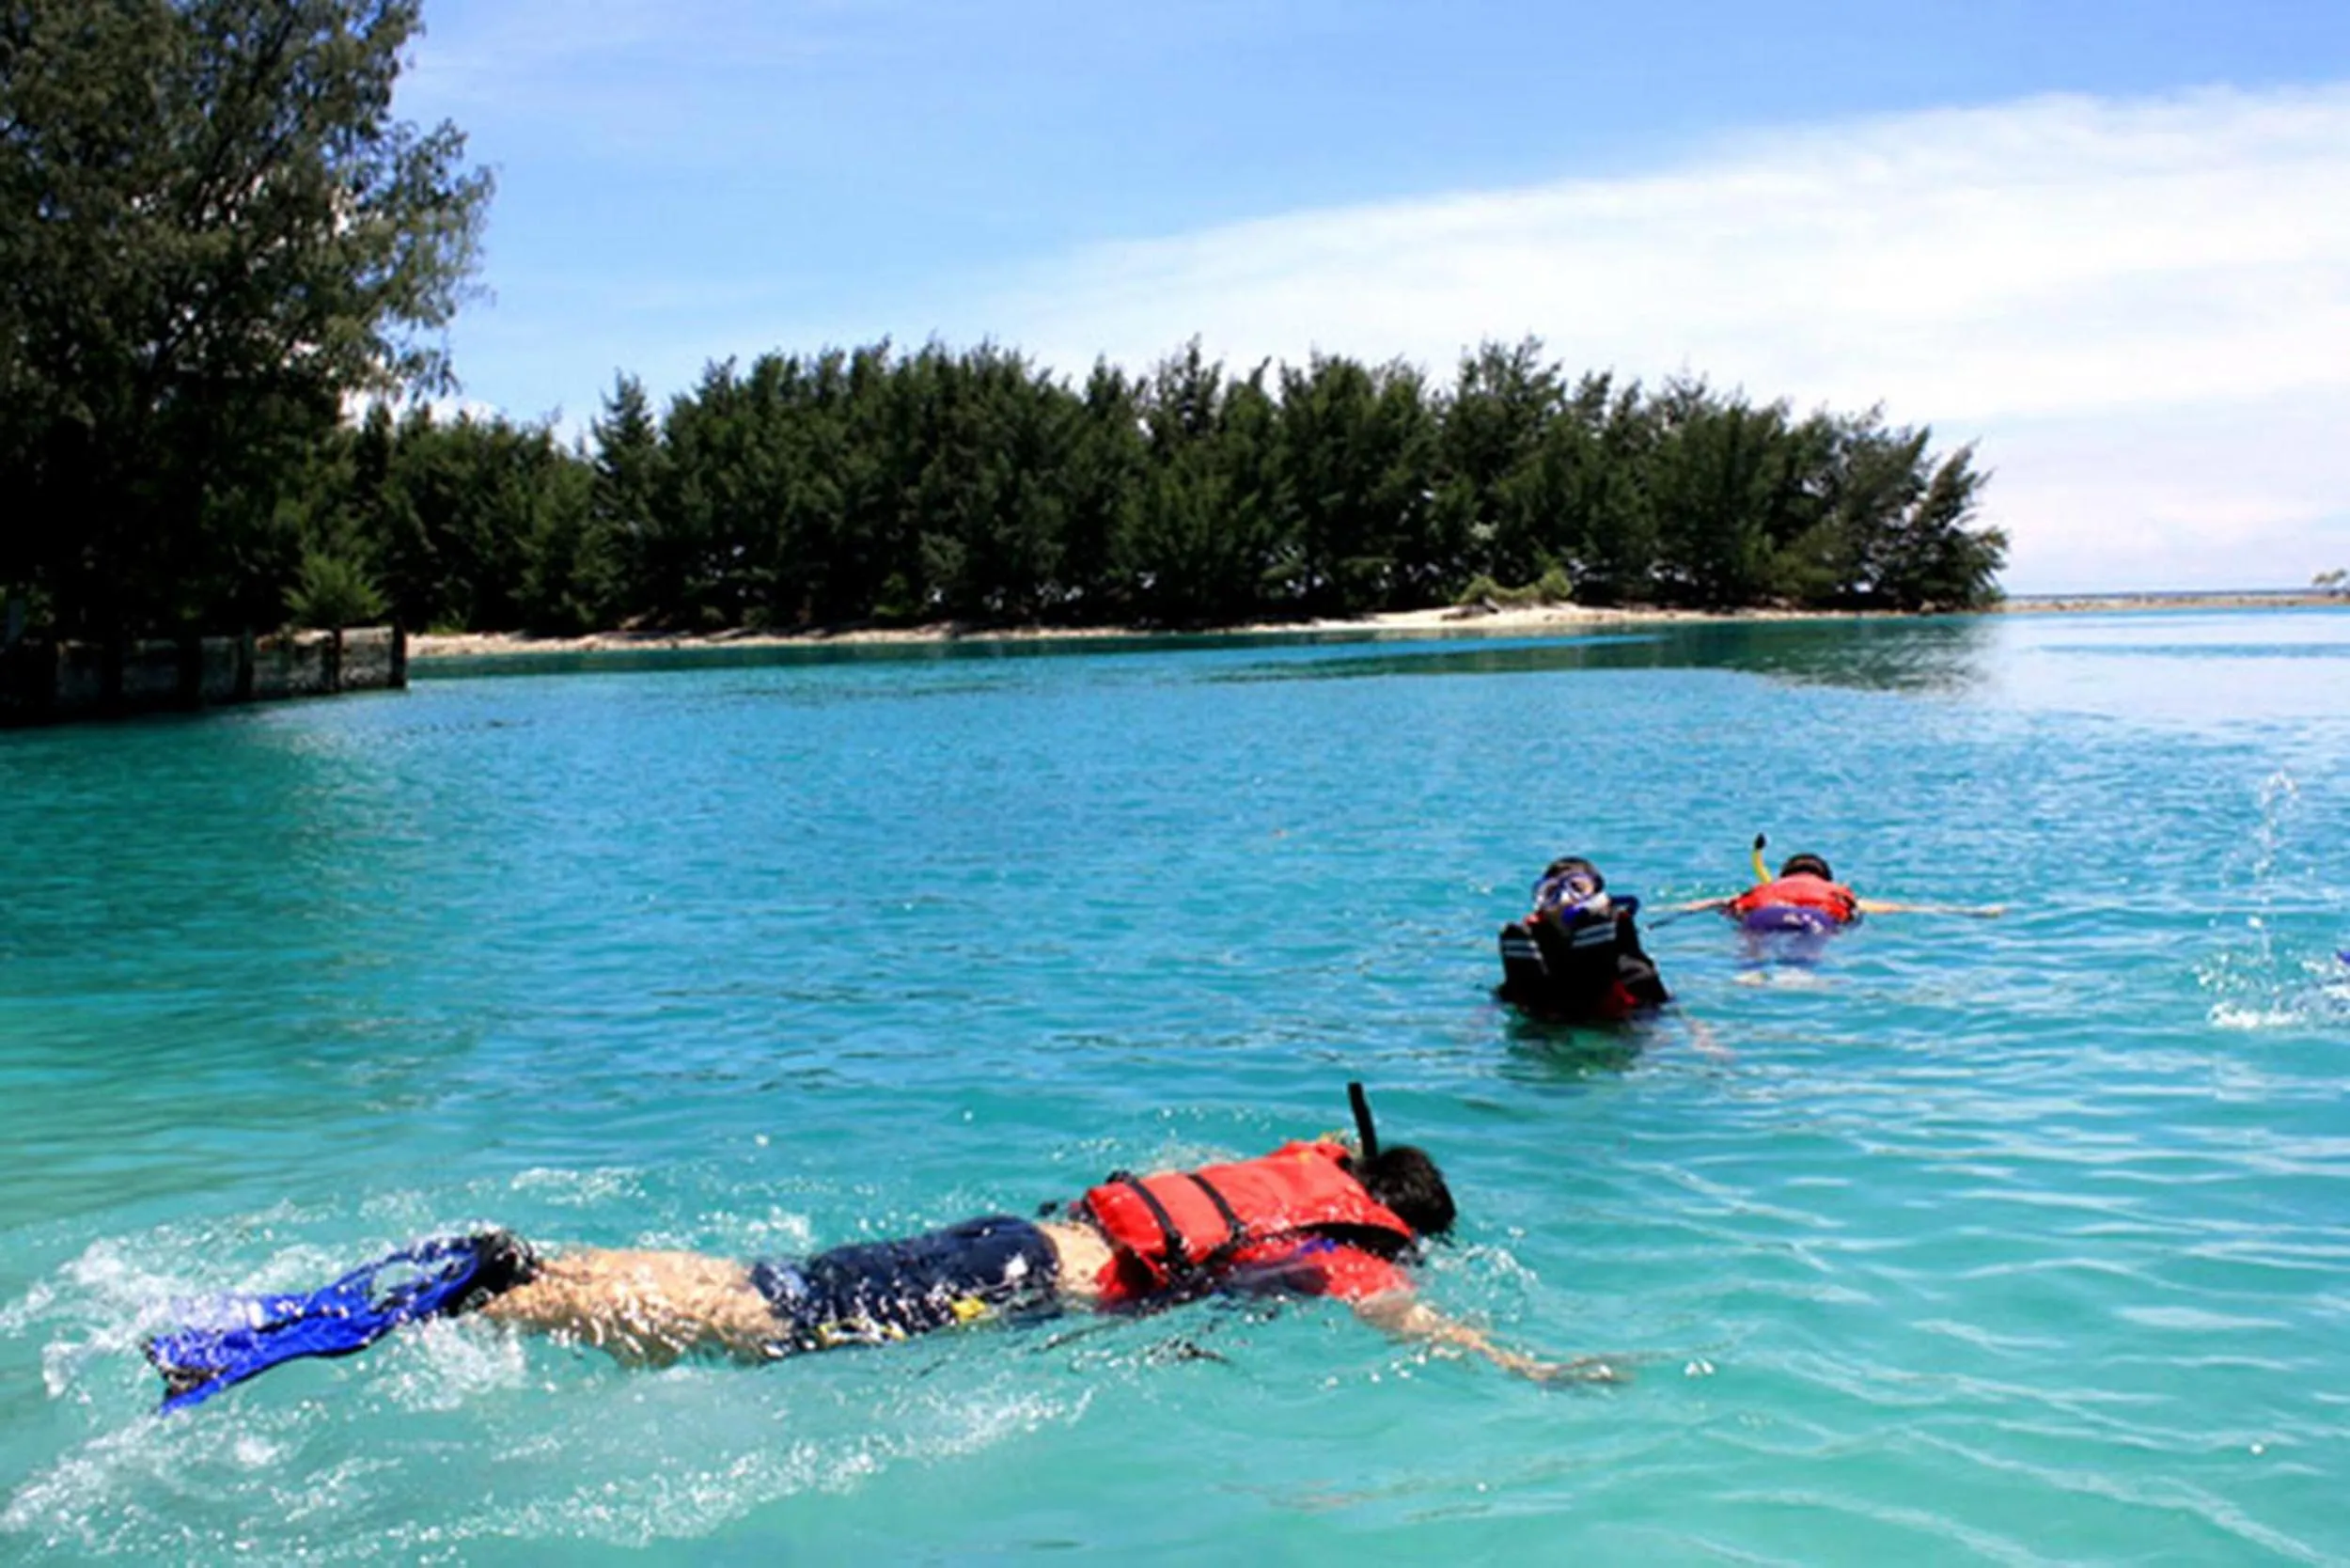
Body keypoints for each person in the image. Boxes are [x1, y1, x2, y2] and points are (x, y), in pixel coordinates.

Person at [144, 1087, 1612, 1410]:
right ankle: (497, 1283)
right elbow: (1421, 1328)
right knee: (758, 1316)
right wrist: (1528, 1363)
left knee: (768, 1290)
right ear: (1401, 1226)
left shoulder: (1303, 1164)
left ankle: (517, 1278)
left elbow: (1312, 1149)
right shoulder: (1360, 1252)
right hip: (1029, 1284)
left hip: (1020, 1238)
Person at [1672, 840, 2004, 933]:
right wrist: (1967, 912)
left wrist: (1665, 910)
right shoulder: (1832, 893)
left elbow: (1708, 904)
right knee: (1808, 950)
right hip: (1814, 920)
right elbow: (1898, 908)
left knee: (1751, 945)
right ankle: (1800, 975)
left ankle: (1751, 972)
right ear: (1826, 879)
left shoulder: (1766, 890)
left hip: (1762, 916)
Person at [1496, 856, 1671, 1022]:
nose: (1564, 900)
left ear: (1597, 900)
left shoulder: (1628, 962)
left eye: (1578, 889)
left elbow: (1663, 1004)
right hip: (1547, 1017)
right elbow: (1502, 997)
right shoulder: (1529, 947)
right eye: (1551, 893)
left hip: (1613, 1025)